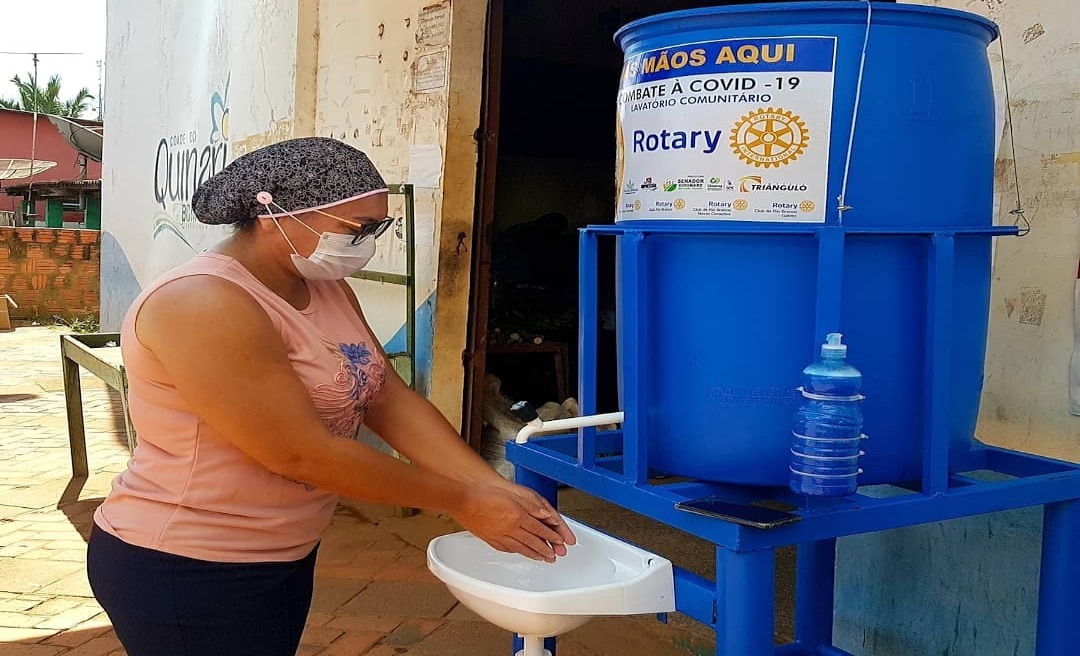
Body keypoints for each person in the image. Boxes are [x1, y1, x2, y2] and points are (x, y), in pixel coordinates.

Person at [86, 137, 575, 656]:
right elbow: (299, 453)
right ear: (275, 213)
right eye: (356, 228)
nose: (368, 242)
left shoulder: (321, 285)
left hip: (279, 552)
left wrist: (486, 484)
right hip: (191, 563)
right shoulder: (202, 304)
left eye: (378, 226)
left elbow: (388, 398)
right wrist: (463, 501)